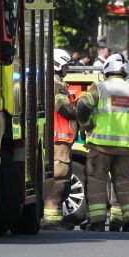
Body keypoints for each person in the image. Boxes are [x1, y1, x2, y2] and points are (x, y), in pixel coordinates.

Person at [76, 53, 129, 232]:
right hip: (124, 149)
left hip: (100, 147)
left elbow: (83, 106)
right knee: (124, 184)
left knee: (97, 183)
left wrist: (87, 125)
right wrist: (128, 128)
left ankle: (97, 222)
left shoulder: (100, 88)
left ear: (107, 69)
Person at [41, 49, 79, 231]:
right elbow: (63, 108)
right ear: (56, 65)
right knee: (59, 177)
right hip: (59, 137)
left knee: (61, 177)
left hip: (60, 137)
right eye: (65, 65)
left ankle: (54, 217)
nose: (67, 69)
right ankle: (52, 219)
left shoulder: (55, 83)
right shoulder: (56, 86)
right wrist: (80, 110)